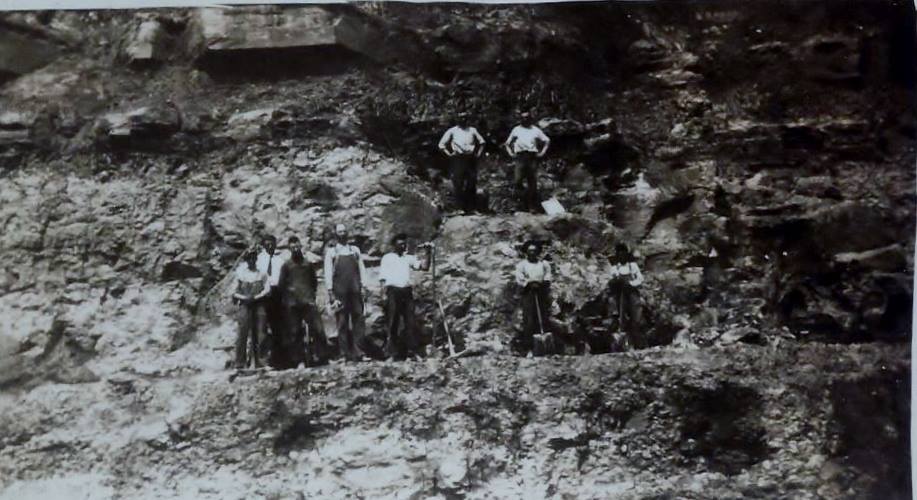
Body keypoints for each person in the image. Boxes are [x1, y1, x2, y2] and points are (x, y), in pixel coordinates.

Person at [379, 233, 433, 361]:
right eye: (400, 243)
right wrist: (383, 294)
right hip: (393, 291)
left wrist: (428, 253)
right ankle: (392, 353)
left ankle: (412, 351)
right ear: (394, 245)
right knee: (393, 322)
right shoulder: (387, 258)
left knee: (410, 322)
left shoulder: (409, 258)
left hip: (406, 291)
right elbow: (382, 278)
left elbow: (424, 267)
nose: (403, 245)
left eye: (404, 243)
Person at [279, 236, 331, 367]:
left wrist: (310, 296)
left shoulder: (307, 264)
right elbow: (281, 285)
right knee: (295, 332)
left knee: (318, 329)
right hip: (293, 304)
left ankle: (322, 357)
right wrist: (288, 299)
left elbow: (313, 282)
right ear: (289, 249)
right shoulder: (286, 266)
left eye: (297, 246)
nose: (295, 249)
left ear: (300, 246)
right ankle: (299, 361)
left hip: (308, 302)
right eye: (292, 247)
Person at [323, 223, 371, 362]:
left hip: (355, 290)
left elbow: (361, 269)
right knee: (342, 322)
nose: (342, 234)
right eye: (340, 232)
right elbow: (327, 273)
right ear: (336, 235)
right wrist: (330, 292)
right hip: (340, 292)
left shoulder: (354, 250)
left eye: (344, 231)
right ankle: (344, 354)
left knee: (358, 320)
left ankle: (360, 352)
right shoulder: (332, 252)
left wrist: (365, 286)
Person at [231, 248, 271, 369]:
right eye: (249, 258)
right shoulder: (241, 273)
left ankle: (262, 362)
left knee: (261, 332)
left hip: (259, 303)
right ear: (246, 260)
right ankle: (240, 363)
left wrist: (257, 296)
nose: (252, 260)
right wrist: (244, 297)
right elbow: (234, 291)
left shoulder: (262, 273)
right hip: (245, 304)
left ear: (256, 259)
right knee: (242, 333)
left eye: (254, 258)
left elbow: (267, 289)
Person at [438, 113, 485, 213]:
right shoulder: (452, 130)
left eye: (464, 118)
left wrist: (478, 154)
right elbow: (441, 144)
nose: (463, 119)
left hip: (470, 158)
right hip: (458, 158)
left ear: (467, 119)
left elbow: (482, 142)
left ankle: (471, 208)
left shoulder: (472, 130)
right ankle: (459, 208)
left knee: (471, 182)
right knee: (458, 182)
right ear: (457, 119)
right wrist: (449, 154)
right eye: (460, 118)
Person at [504, 112, 550, 212]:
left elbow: (547, 140)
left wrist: (542, 152)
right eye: (523, 118)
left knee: (532, 181)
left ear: (530, 119)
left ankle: (531, 206)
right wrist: (511, 153)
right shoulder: (516, 129)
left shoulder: (535, 130)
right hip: (520, 156)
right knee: (518, 180)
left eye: (527, 118)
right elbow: (507, 143)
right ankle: (519, 204)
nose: (525, 120)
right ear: (520, 119)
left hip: (531, 156)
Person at [514, 240, 553, 356]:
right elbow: (519, 278)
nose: (532, 253)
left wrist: (542, 283)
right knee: (529, 320)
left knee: (543, 317)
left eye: (534, 251)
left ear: (538, 252)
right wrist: (529, 283)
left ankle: (545, 347)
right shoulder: (522, 265)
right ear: (526, 252)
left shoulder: (544, 264)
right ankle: (529, 348)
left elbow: (548, 276)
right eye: (530, 251)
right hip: (528, 293)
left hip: (542, 292)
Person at [256, 234, 289, 368]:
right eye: (267, 243)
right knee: (262, 328)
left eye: (272, 243)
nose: (270, 246)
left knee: (278, 328)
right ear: (263, 245)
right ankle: (263, 361)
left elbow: (283, 279)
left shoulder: (280, 260)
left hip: (277, 294)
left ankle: (279, 360)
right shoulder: (259, 259)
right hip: (263, 295)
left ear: (275, 245)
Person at [608, 243, 644, 348]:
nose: (621, 256)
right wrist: (615, 281)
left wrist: (631, 284)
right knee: (620, 317)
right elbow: (611, 280)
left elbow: (640, 279)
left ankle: (639, 343)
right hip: (620, 294)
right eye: (619, 254)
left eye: (623, 253)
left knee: (636, 317)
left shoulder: (633, 266)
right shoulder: (615, 268)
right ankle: (624, 344)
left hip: (632, 293)